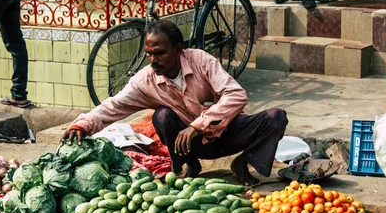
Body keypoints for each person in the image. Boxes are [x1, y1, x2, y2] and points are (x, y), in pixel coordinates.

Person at [64, 20, 288, 185]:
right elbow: (114, 105)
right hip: (191, 144)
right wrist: (82, 124)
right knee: (161, 116)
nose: (153, 60)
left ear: (179, 49)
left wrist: (198, 125)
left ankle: (242, 163)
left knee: (276, 117)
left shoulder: (201, 61)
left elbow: (236, 95)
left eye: (159, 53)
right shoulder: (145, 81)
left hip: (228, 133)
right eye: (149, 54)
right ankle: (189, 164)